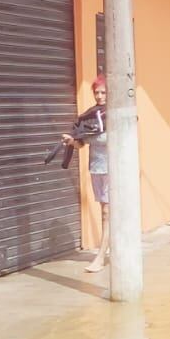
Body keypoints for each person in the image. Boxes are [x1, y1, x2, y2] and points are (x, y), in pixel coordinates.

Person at [64, 77, 111, 272]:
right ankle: (110, 248)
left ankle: (101, 257)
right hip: (96, 169)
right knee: (106, 211)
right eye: (97, 92)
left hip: (112, 169)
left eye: (103, 92)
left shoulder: (114, 115)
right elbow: (81, 143)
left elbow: (109, 138)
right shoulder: (90, 117)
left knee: (107, 212)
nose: (99, 96)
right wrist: (72, 141)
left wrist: (91, 136)